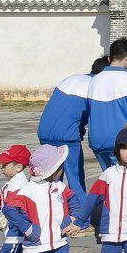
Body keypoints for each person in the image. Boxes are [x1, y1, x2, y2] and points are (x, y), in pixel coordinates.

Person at [87, 42, 127, 176]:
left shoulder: (94, 81)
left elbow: (89, 109)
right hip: (121, 141)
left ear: (110, 58)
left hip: (98, 140)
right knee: (123, 182)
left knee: (109, 179)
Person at [37, 61, 97, 192]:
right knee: (75, 179)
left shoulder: (70, 79)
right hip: (67, 137)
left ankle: (50, 206)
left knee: (50, 177)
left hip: (44, 132)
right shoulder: (96, 85)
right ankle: (80, 211)